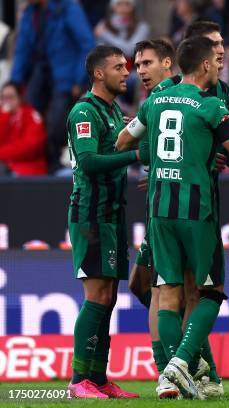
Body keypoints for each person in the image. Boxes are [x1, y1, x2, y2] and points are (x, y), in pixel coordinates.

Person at [122, 36, 229, 399]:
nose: (218, 66)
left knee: (166, 294)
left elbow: (122, 141)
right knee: (211, 291)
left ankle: (169, 378)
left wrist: (155, 153)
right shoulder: (210, 106)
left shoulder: (153, 102)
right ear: (203, 66)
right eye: (215, 62)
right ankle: (180, 363)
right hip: (196, 210)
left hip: (158, 210)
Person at [66, 45, 139, 399]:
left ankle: (98, 378)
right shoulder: (85, 111)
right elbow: (90, 161)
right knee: (96, 295)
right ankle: (79, 379)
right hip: (90, 213)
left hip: (111, 212)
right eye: (117, 67)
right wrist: (135, 154)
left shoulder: (113, 111)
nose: (126, 73)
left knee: (109, 297)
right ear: (98, 74)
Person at [11, 0, 95, 173]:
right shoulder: (30, 13)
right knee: (30, 111)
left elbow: (86, 44)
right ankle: (38, 160)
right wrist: (15, 82)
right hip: (41, 72)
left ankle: (55, 160)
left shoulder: (68, 7)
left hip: (66, 75)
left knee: (58, 119)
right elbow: (22, 49)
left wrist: (79, 80)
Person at [0, 82, 47, 175]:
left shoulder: (30, 115)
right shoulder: (2, 116)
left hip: (27, 168)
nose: (7, 101)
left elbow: (31, 147)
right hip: (6, 165)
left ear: (20, 98)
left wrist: (2, 153)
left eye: (11, 97)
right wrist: (5, 117)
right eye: (4, 97)